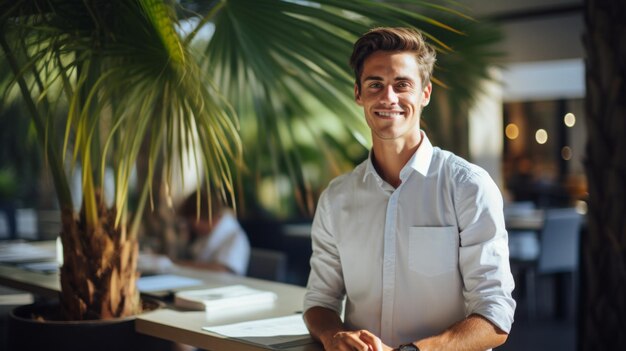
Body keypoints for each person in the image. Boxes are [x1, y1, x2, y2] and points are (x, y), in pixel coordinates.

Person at [303, 27, 516, 351]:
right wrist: (333, 336)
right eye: (375, 84)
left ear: (425, 93)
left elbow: (495, 314)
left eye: (402, 85)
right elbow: (320, 301)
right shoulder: (336, 198)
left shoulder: (468, 187)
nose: (388, 97)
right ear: (359, 94)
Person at [174, 189, 250, 275]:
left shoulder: (235, 237)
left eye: (191, 223)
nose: (192, 228)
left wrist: (179, 265)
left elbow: (223, 271)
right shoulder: (204, 236)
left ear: (198, 220)